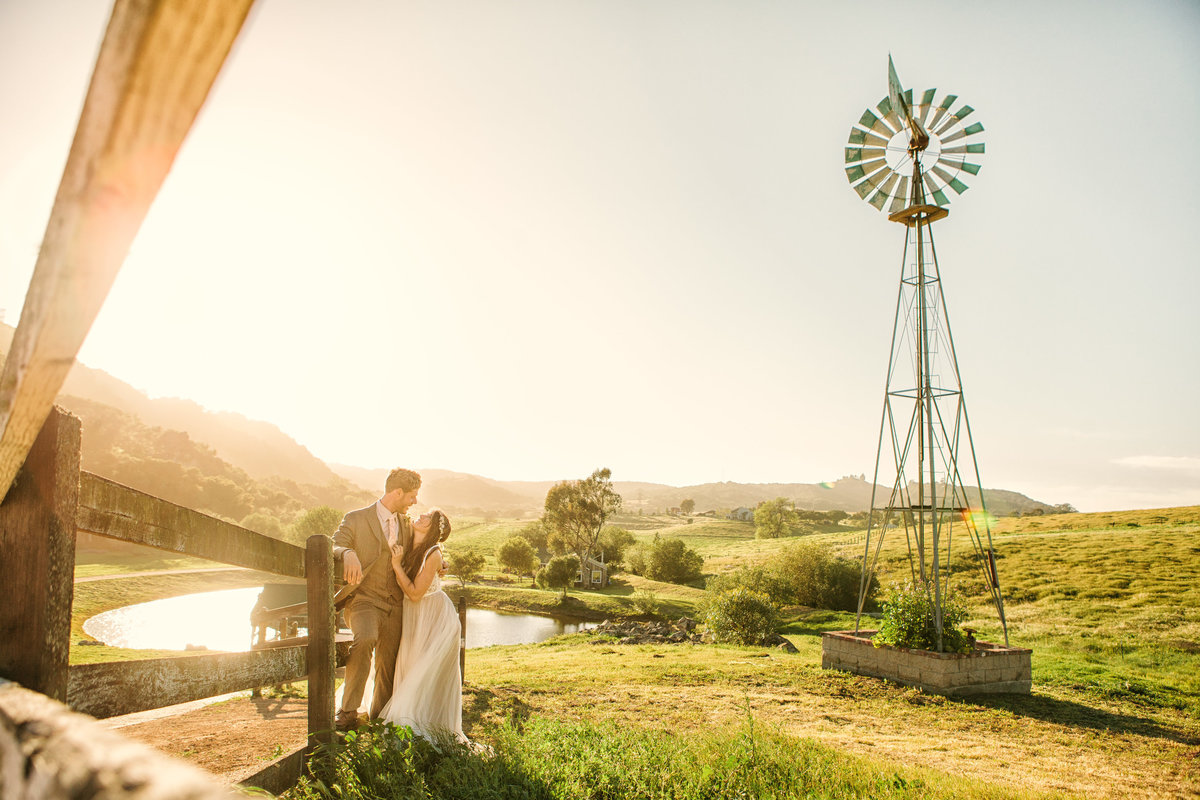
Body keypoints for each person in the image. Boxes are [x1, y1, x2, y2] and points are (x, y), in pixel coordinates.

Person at [331, 468, 421, 731]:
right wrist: (346, 552)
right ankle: (347, 712)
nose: (414, 502)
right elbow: (334, 543)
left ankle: (381, 716)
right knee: (365, 639)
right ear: (397, 492)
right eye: (412, 496)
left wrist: (439, 562)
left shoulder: (406, 523)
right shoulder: (356, 518)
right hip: (364, 600)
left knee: (389, 659)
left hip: (395, 603)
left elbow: (421, 550)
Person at [378, 509, 465, 744]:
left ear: (433, 530)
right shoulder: (408, 536)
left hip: (434, 618)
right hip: (415, 616)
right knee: (409, 666)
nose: (421, 517)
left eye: (428, 518)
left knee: (422, 672)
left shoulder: (433, 553)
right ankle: (411, 725)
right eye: (423, 514)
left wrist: (396, 565)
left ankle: (418, 727)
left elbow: (416, 594)